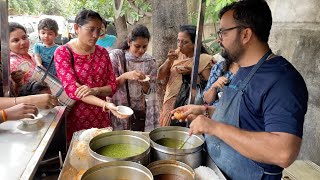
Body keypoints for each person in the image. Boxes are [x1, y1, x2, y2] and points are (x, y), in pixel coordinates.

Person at [172, 1, 308, 180]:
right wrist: (206, 111)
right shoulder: (243, 69)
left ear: (245, 34)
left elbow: (284, 152)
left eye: (223, 32)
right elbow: (245, 118)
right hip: (217, 170)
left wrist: (214, 127)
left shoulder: (283, 81)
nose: (219, 39)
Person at [54, 9, 120, 143]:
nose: (95, 35)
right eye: (91, 29)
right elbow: (73, 91)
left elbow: (112, 86)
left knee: (102, 152)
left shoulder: (103, 53)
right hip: (76, 119)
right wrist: (106, 105)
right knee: (80, 154)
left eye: (99, 30)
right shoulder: (63, 52)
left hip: (101, 117)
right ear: (77, 28)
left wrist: (95, 90)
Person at [158, 25, 213, 126]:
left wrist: (192, 73)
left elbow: (209, 87)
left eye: (185, 42)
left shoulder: (203, 59)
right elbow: (160, 76)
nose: (179, 45)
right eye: (178, 41)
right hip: (169, 100)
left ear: (194, 44)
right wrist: (169, 61)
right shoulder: (176, 56)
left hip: (188, 104)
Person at [109, 24, 159, 131]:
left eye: (144, 46)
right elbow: (109, 87)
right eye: (137, 46)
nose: (141, 50)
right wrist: (125, 76)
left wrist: (144, 83)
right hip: (121, 109)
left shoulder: (150, 61)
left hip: (140, 111)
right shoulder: (116, 57)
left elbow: (150, 92)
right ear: (129, 42)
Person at [9, 22, 37, 95]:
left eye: (24, 37)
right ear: (6, 44)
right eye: (16, 40)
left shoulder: (29, 56)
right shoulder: (12, 63)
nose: (23, 42)